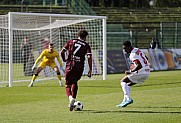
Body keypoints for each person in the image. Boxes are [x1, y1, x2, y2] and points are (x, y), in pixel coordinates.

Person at [60, 29, 92, 111]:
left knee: (67, 85)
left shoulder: (71, 41)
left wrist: (64, 59)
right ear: (85, 37)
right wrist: (90, 69)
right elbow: (89, 57)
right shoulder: (86, 45)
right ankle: (73, 98)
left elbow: (62, 52)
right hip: (79, 66)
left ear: (78, 35)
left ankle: (70, 98)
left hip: (70, 65)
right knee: (74, 82)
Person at [116, 41, 150, 107]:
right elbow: (146, 58)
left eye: (125, 48)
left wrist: (131, 71)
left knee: (123, 81)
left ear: (129, 46)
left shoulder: (133, 55)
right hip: (147, 72)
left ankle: (128, 99)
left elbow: (139, 65)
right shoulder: (137, 50)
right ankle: (124, 101)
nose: (124, 50)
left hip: (141, 72)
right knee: (128, 84)